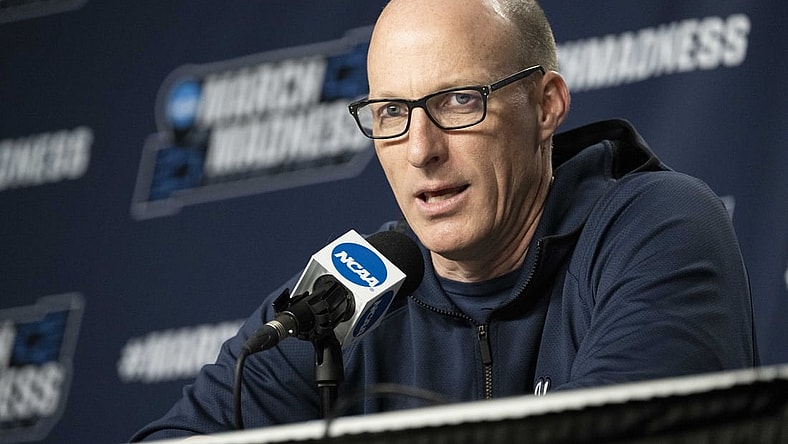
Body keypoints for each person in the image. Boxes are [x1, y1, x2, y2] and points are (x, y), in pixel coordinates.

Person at [131, 0, 757, 440]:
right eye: (390, 113)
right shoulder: (349, 296)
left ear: (546, 106)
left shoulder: (657, 226)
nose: (421, 150)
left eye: (459, 101)